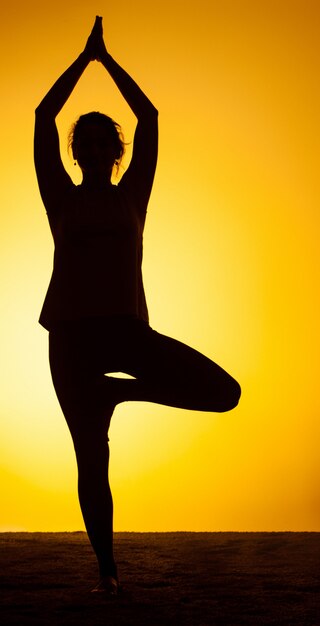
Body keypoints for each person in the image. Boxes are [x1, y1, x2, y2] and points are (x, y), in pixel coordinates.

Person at [34, 17, 241, 595]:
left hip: (127, 332)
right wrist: (82, 60)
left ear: (117, 152)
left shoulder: (134, 199)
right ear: (76, 152)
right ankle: (108, 572)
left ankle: (121, 391)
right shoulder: (61, 198)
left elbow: (149, 118)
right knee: (90, 460)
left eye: (106, 141)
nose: (98, 148)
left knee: (224, 393)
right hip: (71, 338)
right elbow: (42, 118)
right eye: (88, 142)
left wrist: (108, 61)